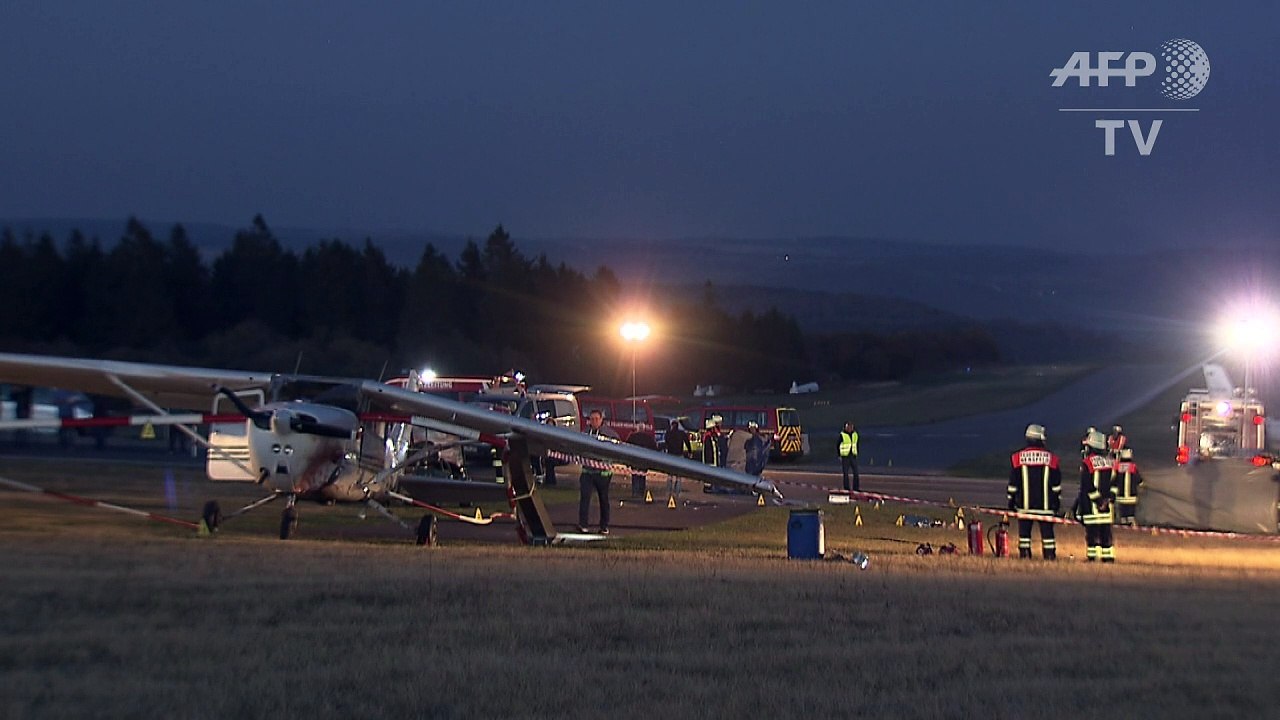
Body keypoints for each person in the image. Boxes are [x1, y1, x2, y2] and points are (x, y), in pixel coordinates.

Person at [1007, 423, 1061, 560]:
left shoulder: (1017, 458)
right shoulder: (1052, 459)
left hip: (1024, 506)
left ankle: (1025, 556)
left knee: (1024, 535)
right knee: (1048, 535)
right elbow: (1056, 484)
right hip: (1046, 507)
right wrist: (1056, 502)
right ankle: (1049, 556)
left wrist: (1011, 500)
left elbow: (1013, 483)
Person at [578, 410, 619, 534]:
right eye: (592, 419)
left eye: (596, 419)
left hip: (603, 474)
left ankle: (604, 526)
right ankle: (583, 524)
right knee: (585, 498)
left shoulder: (610, 434)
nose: (594, 421)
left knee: (603, 499)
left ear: (601, 420)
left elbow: (617, 449)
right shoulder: (585, 433)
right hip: (588, 472)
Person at [1079, 429, 1117, 562]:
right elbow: (1115, 484)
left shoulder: (1087, 463)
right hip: (1107, 510)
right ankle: (1108, 558)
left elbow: (1087, 485)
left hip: (1092, 508)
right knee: (1106, 535)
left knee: (1092, 535)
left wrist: (1098, 501)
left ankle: (1092, 558)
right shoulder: (1111, 462)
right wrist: (1109, 500)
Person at [1111, 448, 1143, 525]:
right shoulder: (1133, 467)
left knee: (1123, 513)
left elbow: (1114, 480)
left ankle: (1123, 524)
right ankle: (1130, 523)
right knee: (1130, 513)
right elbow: (1139, 481)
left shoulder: (1118, 467)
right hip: (1132, 496)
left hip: (1121, 496)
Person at [663, 418, 691, 498]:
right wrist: (689, 451)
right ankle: (677, 493)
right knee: (678, 476)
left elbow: (666, 443)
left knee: (670, 475)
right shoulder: (681, 433)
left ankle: (668, 492)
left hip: (670, 456)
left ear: (671, 425)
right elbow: (687, 442)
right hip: (679, 456)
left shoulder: (668, 433)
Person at [625, 431, 657, 498]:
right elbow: (654, 449)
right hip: (644, 461)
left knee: (635, 476)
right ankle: (641, 492)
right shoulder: (648, 438)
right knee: (642, 477)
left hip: (634, 460)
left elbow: (627, 447)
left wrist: (627, 462)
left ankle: (635, 492)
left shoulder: (633, 437)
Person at [839, 421, 860, 493]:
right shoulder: (842, 435)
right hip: (845, 456)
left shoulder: (855, 434)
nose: (850, 428)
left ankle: (856, 488)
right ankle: (846, 488)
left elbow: (856, 444)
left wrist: (856, 453)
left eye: (851, 427)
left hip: (853, 456)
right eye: (848, 427)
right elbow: (838, 445)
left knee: (856, 473)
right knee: (845, 473)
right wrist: (839, 455)